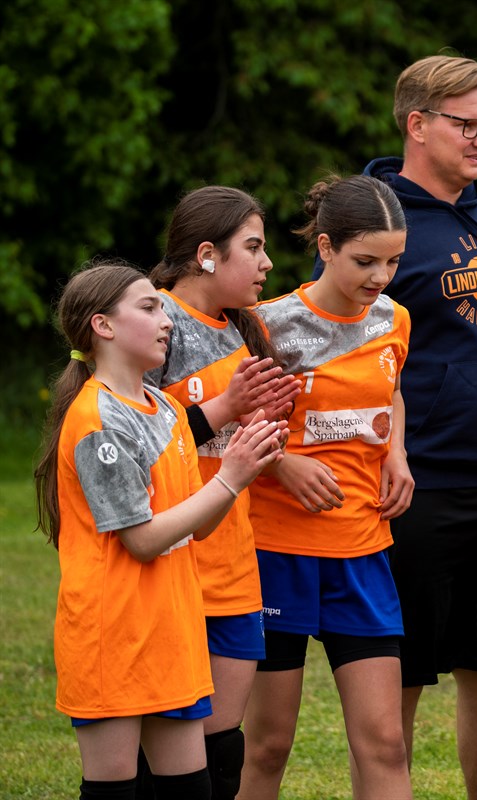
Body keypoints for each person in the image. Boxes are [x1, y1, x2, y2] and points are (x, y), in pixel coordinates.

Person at [335, 54, 477, 799]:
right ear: (417, 124)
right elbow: (341, 348)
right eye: (466, 124)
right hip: (414, 485)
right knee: (399, 681)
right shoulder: (374, 224)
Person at [33, 260, 284, 800]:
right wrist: (229, 478)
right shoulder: (98, 419)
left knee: (193, 788)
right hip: (114, 638)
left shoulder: (166, 407)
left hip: (173, 633)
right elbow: (142, 540)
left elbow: (197, 525)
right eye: (149, 307)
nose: (166, 319)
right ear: (103, 326)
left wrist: (241, 470)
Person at [239, 175, 414, 800]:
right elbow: (227, 426)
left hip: (362, 550)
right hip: (276, 552)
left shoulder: (394, 319)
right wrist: (281, 463)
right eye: (365, 261)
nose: (380, 277)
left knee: (385, 743)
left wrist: (396, 452)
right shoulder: (266, 325)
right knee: (267, 745)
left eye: (393, 262)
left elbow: (392, 388)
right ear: (325, 247)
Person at [144, 185, 300, 799]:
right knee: (165, 757)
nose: (267, 263)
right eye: (253, 248)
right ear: (207, 255)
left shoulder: (245, 326)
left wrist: (269, 429)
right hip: (169, 566)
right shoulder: (153, 321)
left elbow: (235, 452)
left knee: (222, 751)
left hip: (234, 563)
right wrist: (224, 408)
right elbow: (133, 444)